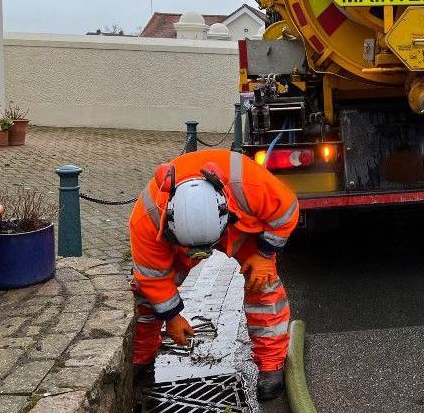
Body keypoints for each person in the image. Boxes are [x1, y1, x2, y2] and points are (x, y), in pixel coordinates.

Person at [128, 149, 299, 399]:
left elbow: (286, 211)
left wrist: (263, 255)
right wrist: (172, 316)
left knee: (263, 283)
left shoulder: (249, 184)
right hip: (176, 241)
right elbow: (153, 277)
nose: (204, 257)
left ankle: (271, 365)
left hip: (240, 226)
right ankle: (140, 360)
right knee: (146, 294)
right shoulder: (148, 218)